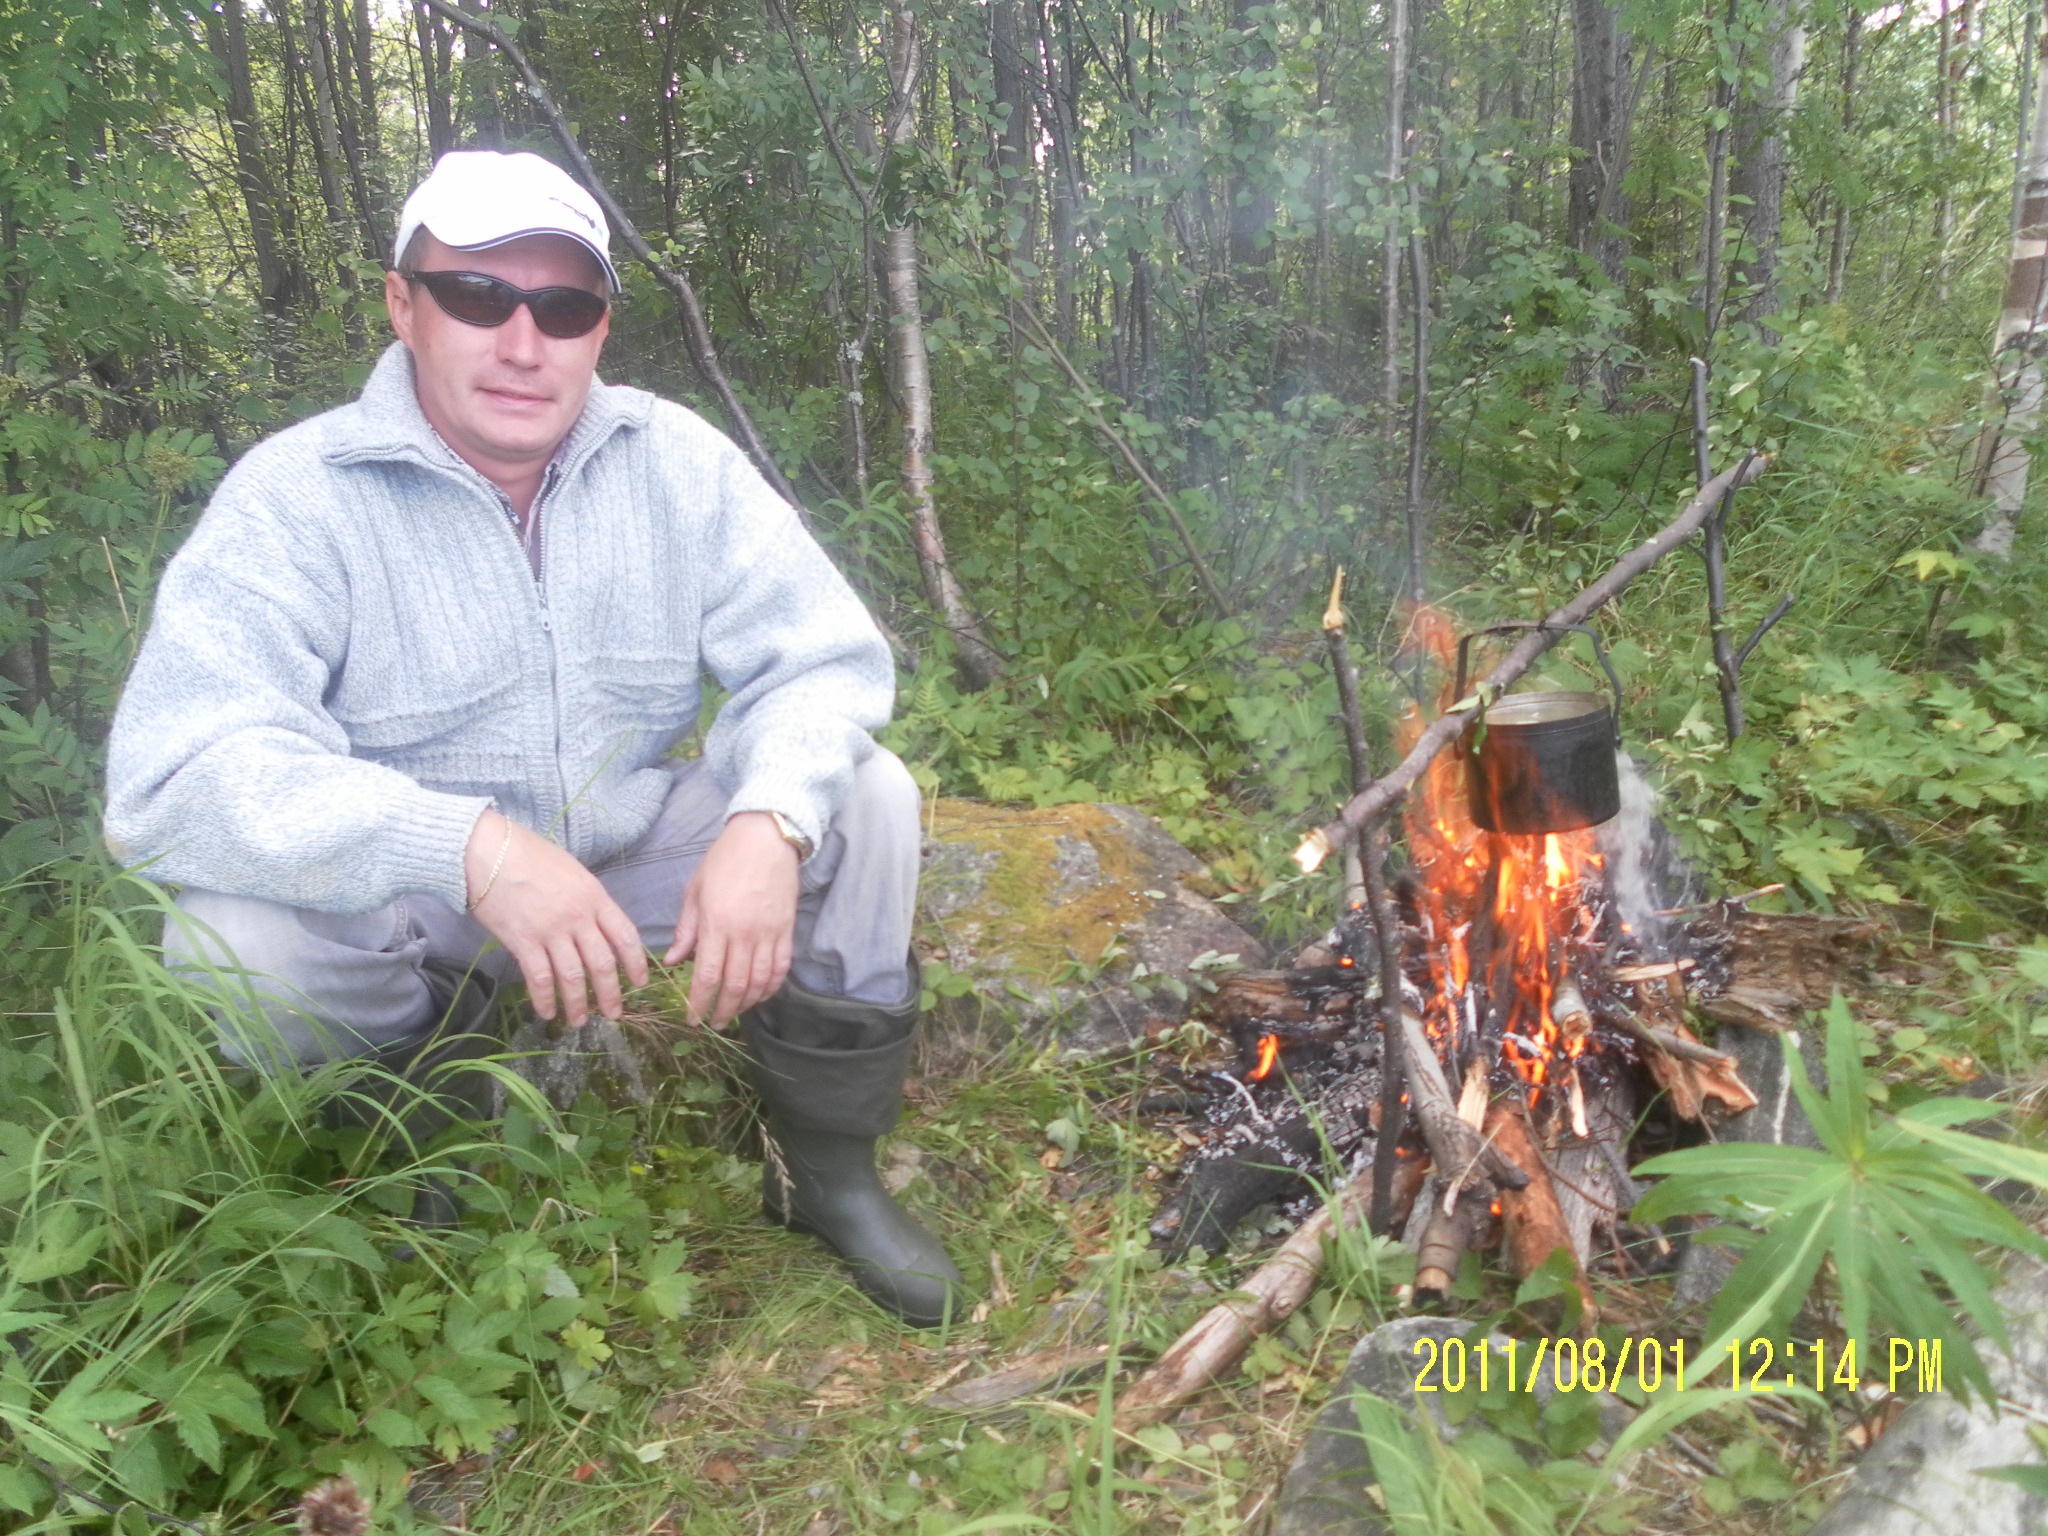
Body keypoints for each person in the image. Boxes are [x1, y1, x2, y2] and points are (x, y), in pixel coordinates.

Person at [103, 150, 963, 1327]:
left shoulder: (674, 463)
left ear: (598, 328)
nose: (523, 343)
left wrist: (766, 823)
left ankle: (824, 1169)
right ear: (403, 305)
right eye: (476, 296)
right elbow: (177, 776)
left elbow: (821, 659)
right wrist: (473, 849)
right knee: (233, 943)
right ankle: (422, 1151)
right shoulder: (296, 497)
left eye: (562, 308)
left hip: (626, 860)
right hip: (415, 903)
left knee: (864, 795)